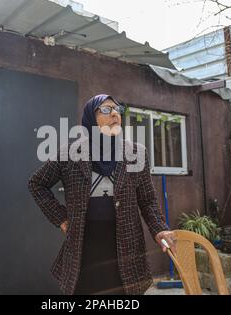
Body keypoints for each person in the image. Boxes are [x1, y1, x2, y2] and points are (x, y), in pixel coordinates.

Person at [28, 94, 177, 295]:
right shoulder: (70, 153)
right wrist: (61, 218)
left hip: (126, 245)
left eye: (117, 109)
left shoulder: (136, 153)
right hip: (84, 247)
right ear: (91, 117)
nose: (115, 113)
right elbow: (37, 184)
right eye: (106, 110)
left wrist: (160, 229)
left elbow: (147, 200)